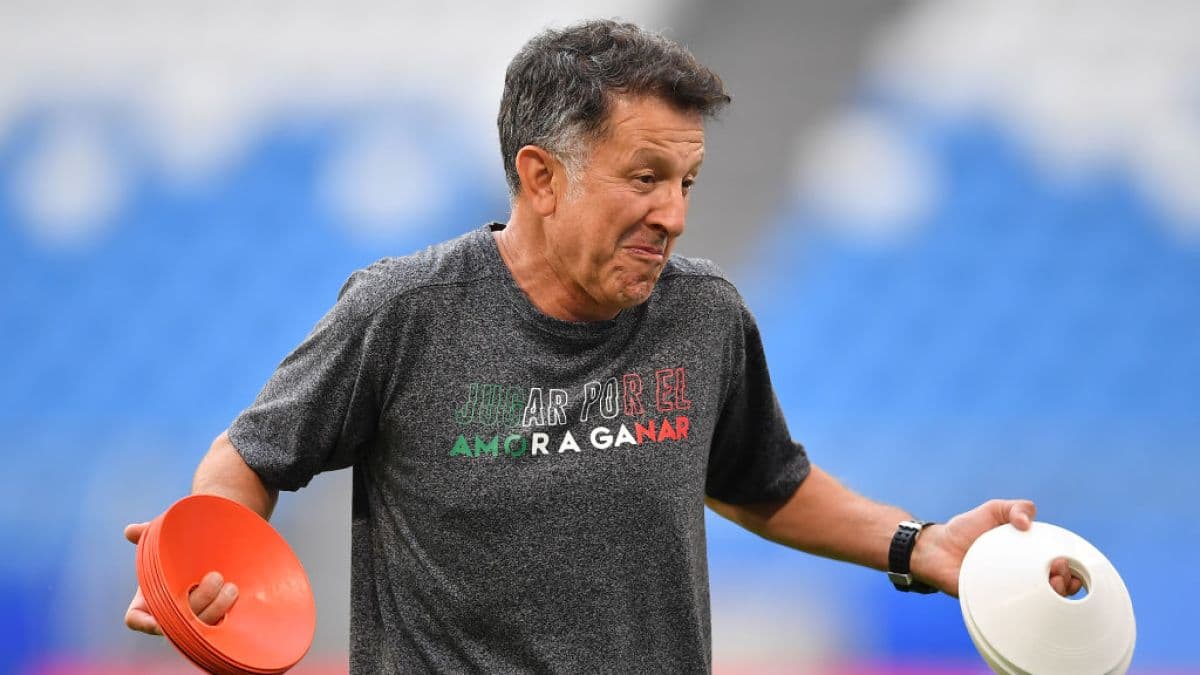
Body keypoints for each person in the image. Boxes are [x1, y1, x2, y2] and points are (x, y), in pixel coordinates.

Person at [124, 19, 1082, 672]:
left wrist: (919, 543)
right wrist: (214, 565)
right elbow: (250, 456)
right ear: (541, 177)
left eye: (687, 182)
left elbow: (763, 480)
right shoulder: (404, 310)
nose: (673, 214)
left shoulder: (705, 315)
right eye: (645, 176)